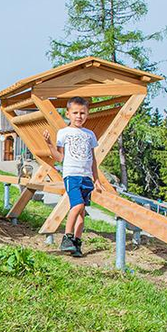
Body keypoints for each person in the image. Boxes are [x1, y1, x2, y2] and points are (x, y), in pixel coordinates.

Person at [48, 96, 106, 258]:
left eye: (82, 113)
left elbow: (93, 159)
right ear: (68, 114)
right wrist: (49, 144)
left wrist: (96, 179)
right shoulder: (64, 132)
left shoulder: (90, 135)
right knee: (78, 205)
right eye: (75, 113)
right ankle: (67, 237)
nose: (79, 116)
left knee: (82, 212)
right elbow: (60, 157)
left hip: (86, 177)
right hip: (72, 175)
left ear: (87, 114)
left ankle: (77, 243)